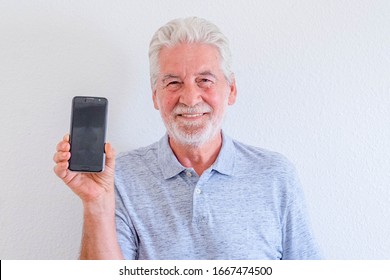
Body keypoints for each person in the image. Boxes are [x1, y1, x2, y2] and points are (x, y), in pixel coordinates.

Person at [53, 17, 320, 260]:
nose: (190, 98)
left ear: (232, 90)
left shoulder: (275, 175)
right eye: (173, 83)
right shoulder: (120, 177)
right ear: (155, 95)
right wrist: (96, 204)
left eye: (204, 80)